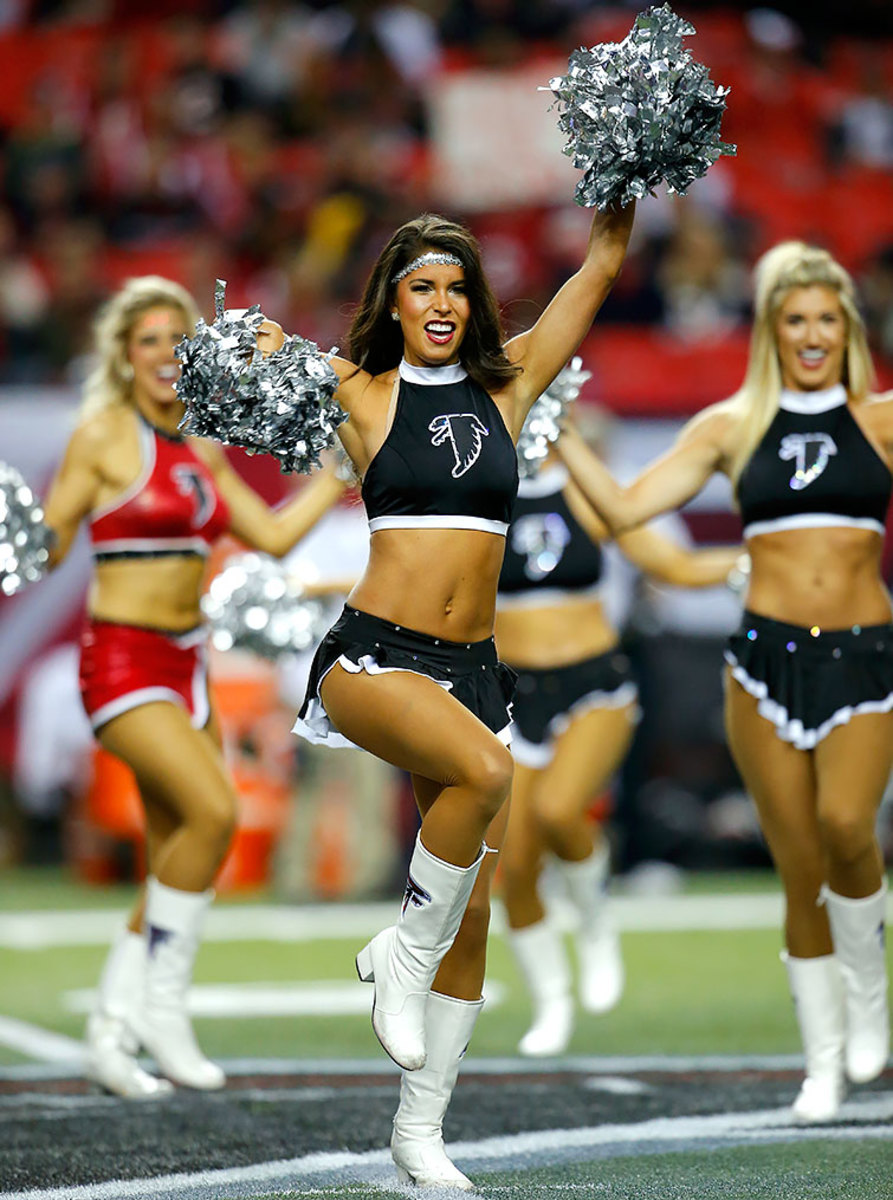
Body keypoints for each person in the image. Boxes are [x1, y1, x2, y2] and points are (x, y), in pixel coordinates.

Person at [283, 203, 635, 1188]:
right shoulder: (360, 390)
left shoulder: (508, 384)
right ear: (391, 304)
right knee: (486, 770)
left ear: (473, 301)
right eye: (420, 287)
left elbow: (600, 266)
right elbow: (255, 349)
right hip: (374, 656)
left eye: (454, 287)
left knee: (471, 914)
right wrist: (245, 342)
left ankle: (419, 1133)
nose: (441, 303)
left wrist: (625, 178)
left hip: (475, 671)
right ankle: (399, 953)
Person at [555, 240, 892, 1123]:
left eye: (826, 319)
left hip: (861, 652)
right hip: (762, 661)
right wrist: (558, 436)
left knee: (848, 830)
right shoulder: (729, 425)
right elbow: (627, 512)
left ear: (846, 329)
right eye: (794, 320)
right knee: (796, 867)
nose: (811, 334)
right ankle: (821, 1062)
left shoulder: (881, 419)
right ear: (770, 331)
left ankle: (869, 999)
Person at [41, 275, 348, 1099]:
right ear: (123, 355)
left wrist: (336, 470)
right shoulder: (102, 436)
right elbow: (47, 538)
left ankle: (116, 1024)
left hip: (191, 664)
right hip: (123, 660)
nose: (163, 356)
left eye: (177, 340)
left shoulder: (205, 446)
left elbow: (274, 536)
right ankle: (157, 1013)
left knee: (188, 849)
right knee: (217, 812)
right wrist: (14, 534)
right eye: (146, 341)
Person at [496, 430, 743, 1056]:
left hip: (593, 681)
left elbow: (672, 565)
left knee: (558, 810)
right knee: (514, 865)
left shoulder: (585, 493)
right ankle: (552, 999)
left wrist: (757, 560)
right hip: (510, 690)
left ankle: (596, 919)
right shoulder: (480, 493)